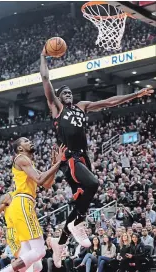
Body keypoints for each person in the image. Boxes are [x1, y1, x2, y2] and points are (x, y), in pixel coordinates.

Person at [40, 44, 154, 268]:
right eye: (64, 93)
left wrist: (136, 94)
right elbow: (45, 79)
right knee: (93, 183)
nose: (68, 94)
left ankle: (59, 243)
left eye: (70, 92)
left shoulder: (82, 107)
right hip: (69, 158)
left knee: (80, 201)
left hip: (84, 158)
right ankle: (75, 226)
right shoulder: (56, 109)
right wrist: (43, 56)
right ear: (58, 98)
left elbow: (110, 101)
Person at [0, 137, 65, 272]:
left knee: (32, 264)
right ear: (19, 148)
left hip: (24, 205)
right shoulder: (21, 158)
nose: (30, 142)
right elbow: (40, 180)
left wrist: (54, 165)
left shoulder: (29, 165)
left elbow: (47, 184)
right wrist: (59, 162)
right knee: (40, 252)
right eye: (26, 141)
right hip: (23, 204)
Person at [0, 192, 42, 272]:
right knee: (29, 265)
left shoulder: (29, 195)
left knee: (37, 266)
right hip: (14, 233)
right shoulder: (8, 196)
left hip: (26, 230)